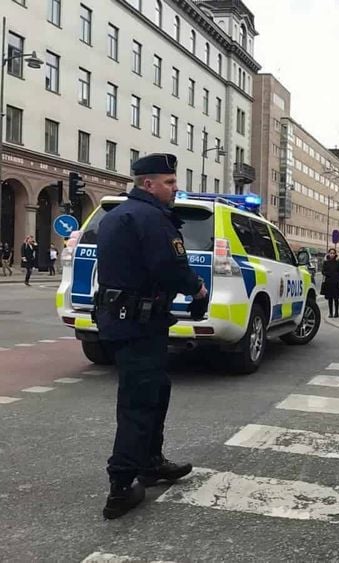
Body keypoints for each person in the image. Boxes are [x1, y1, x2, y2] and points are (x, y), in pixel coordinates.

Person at [94, 153, 208, 519]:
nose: (176, 189)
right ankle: (121, 486)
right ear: (148, 184)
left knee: (155, 390)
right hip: (140, 324)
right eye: (170, 183)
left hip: (125, 319)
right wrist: (197, 289)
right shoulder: (151, 218)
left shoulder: (116, 216)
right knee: (140, 401)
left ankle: (150, 461)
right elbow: (171, 267)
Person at [321, 248, 339, 318]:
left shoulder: (338, 262)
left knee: (336, 298)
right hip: (329, 282)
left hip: (336, 282)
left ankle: (336, 312)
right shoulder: (326, 262)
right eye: (330, 253)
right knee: (330, 299)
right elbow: (323, 271)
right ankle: (330, 313)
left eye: (333, 253)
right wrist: (328, 273)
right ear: (328, 254)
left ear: (335, 254)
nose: (332, 254)